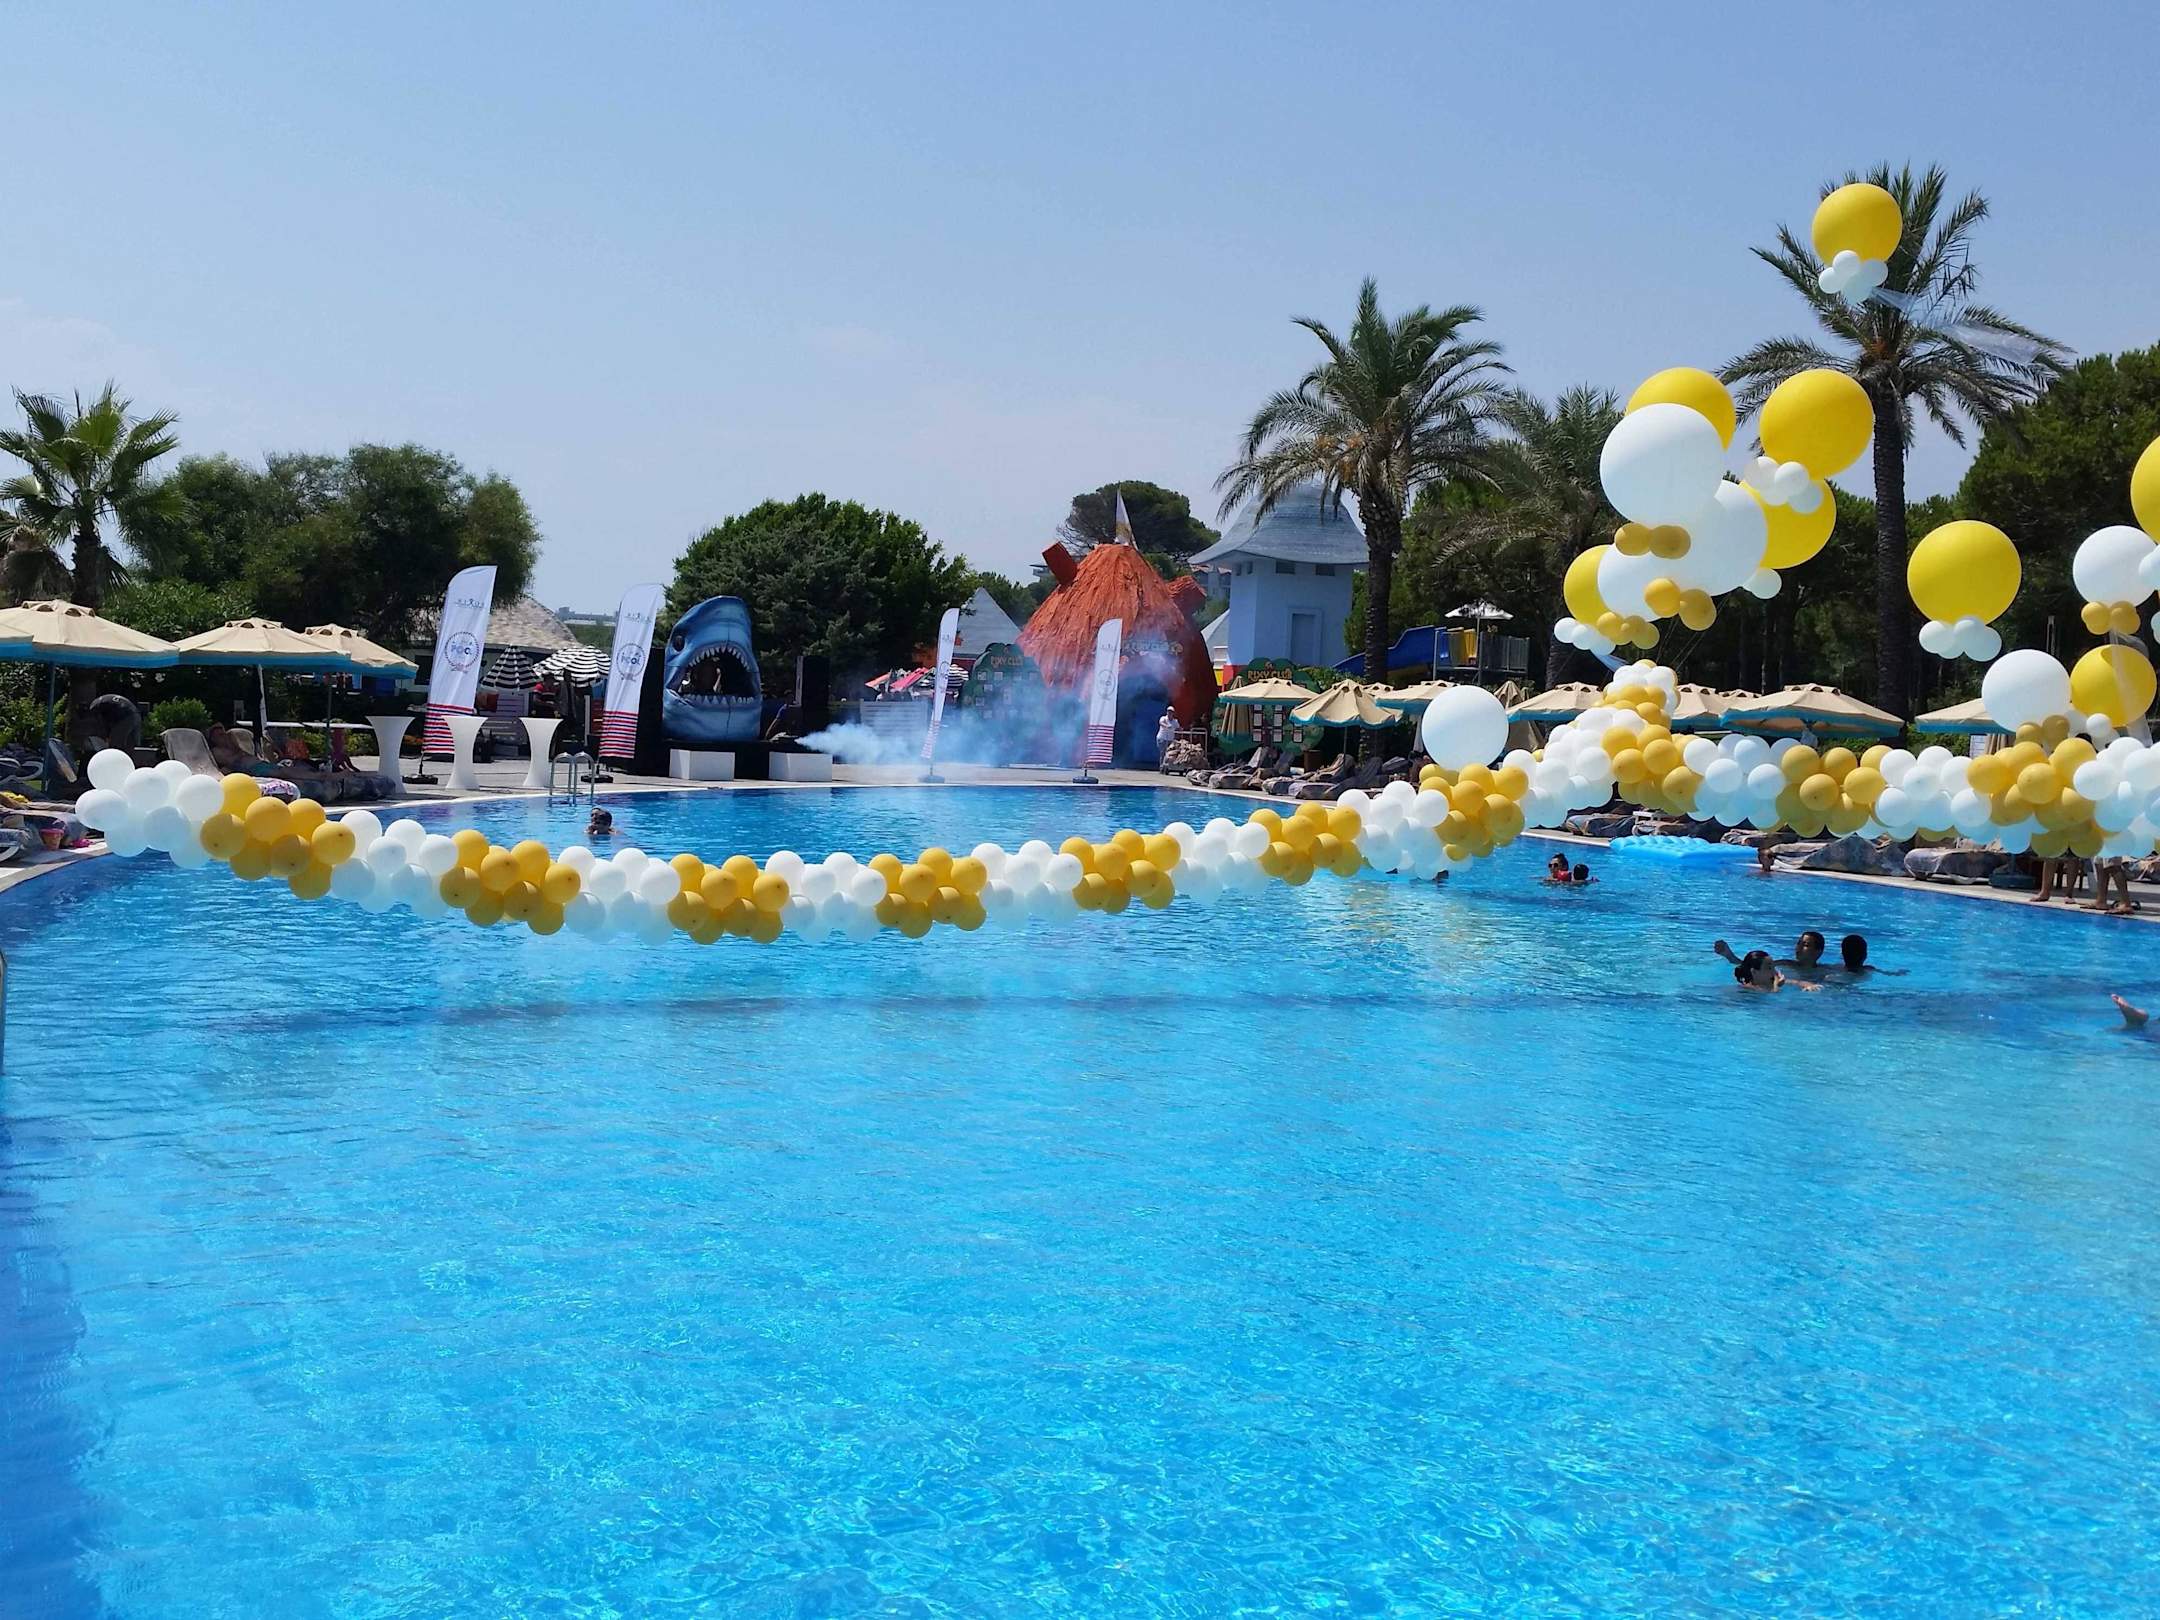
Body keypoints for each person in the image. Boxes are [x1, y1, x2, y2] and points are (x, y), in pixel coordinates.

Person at [1733, 948, 1818, 993]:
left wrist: (1810, 986)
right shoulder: (1748, 989)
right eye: (1769, 968)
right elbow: (1773, 993)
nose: (1774, 972)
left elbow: (1798, 982)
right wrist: (1776, 984)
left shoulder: (1771, 982)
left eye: (1773, 967)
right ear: (1754, 972)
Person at [1837, 934, 1906, 976]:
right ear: (1865, 955)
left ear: (1842, 954)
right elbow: (1889, 974)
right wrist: (1900, 973)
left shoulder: (1837, 968)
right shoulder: (1868, 969)